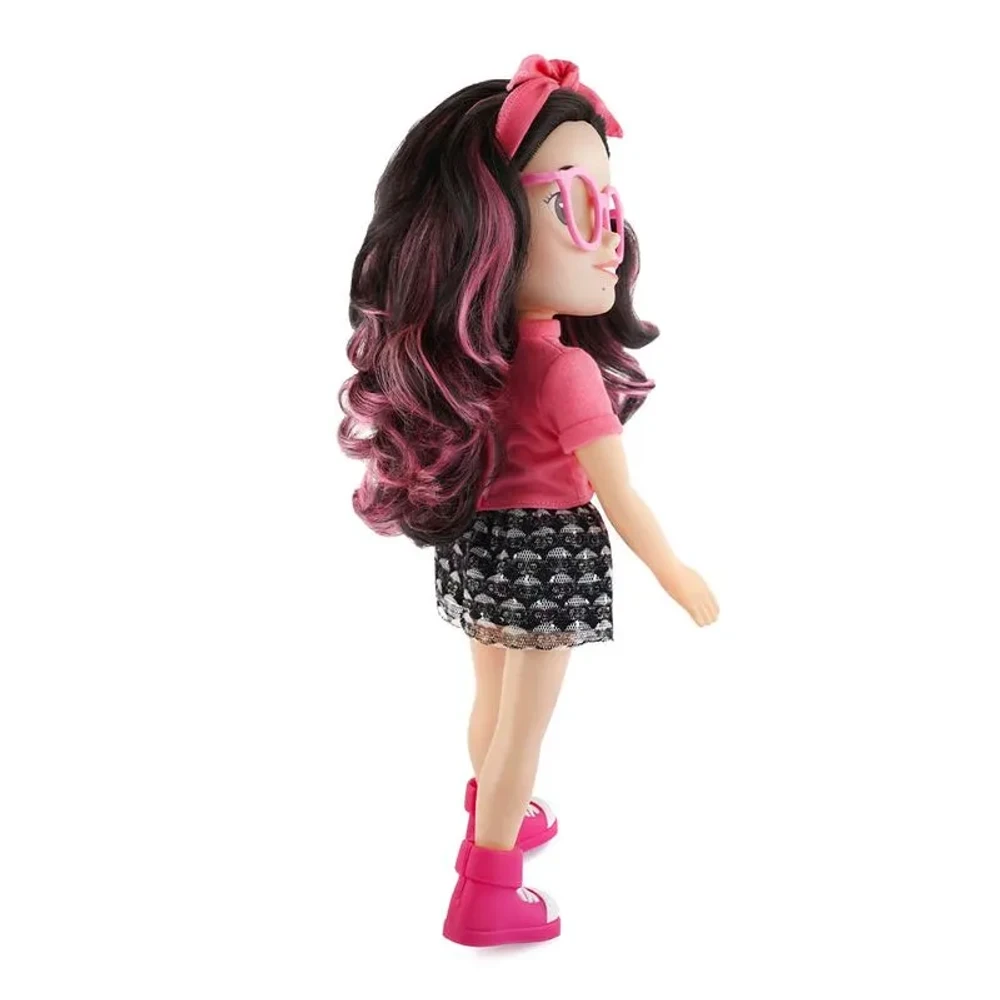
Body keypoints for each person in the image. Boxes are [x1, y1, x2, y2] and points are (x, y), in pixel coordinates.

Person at [338, 54, 719, 947]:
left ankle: (494, 811)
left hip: (478, 542)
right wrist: (674, 570)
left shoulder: (472, 361)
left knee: (491, 699)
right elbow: (618, 495)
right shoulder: (564, 370)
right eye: (574, 204)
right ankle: (487, 886)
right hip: (548, 553)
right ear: (491, 227)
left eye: (610, 207)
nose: (610, 238)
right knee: (524, 728)